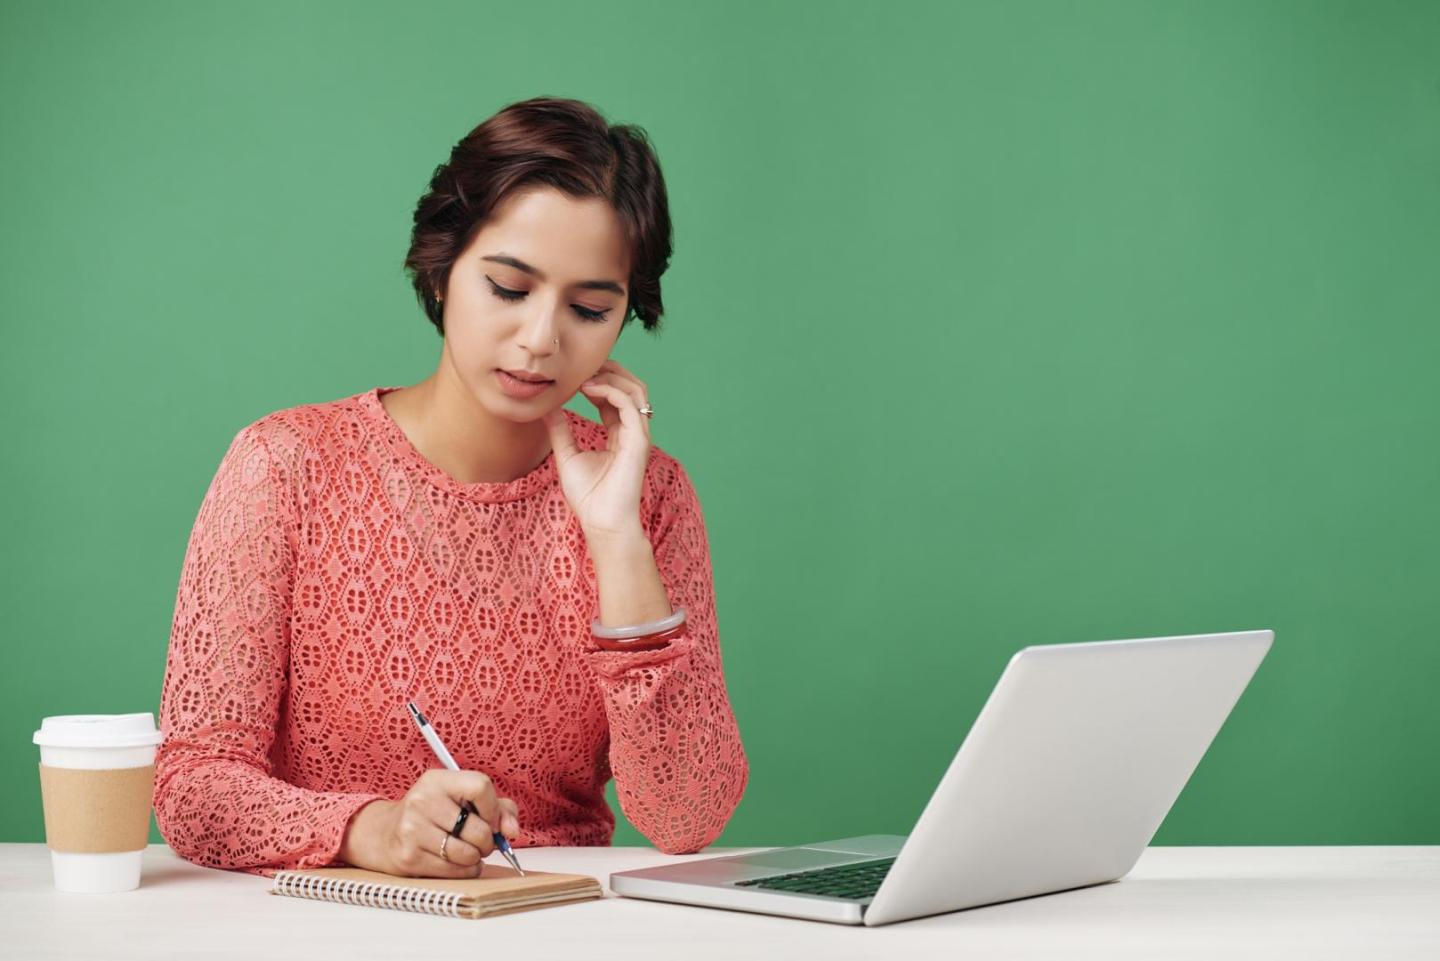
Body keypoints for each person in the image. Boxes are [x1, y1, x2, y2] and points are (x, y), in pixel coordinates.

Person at [152, 96, 749, 880]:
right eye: (508, 288)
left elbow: (688, 815)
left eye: (590, 307)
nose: (541, 341)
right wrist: (379, 829)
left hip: (554, 924)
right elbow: (192, 787)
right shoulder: (287, 465)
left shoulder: (650, 494)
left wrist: (616, 539)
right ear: (441, 270)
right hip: (331, 924)